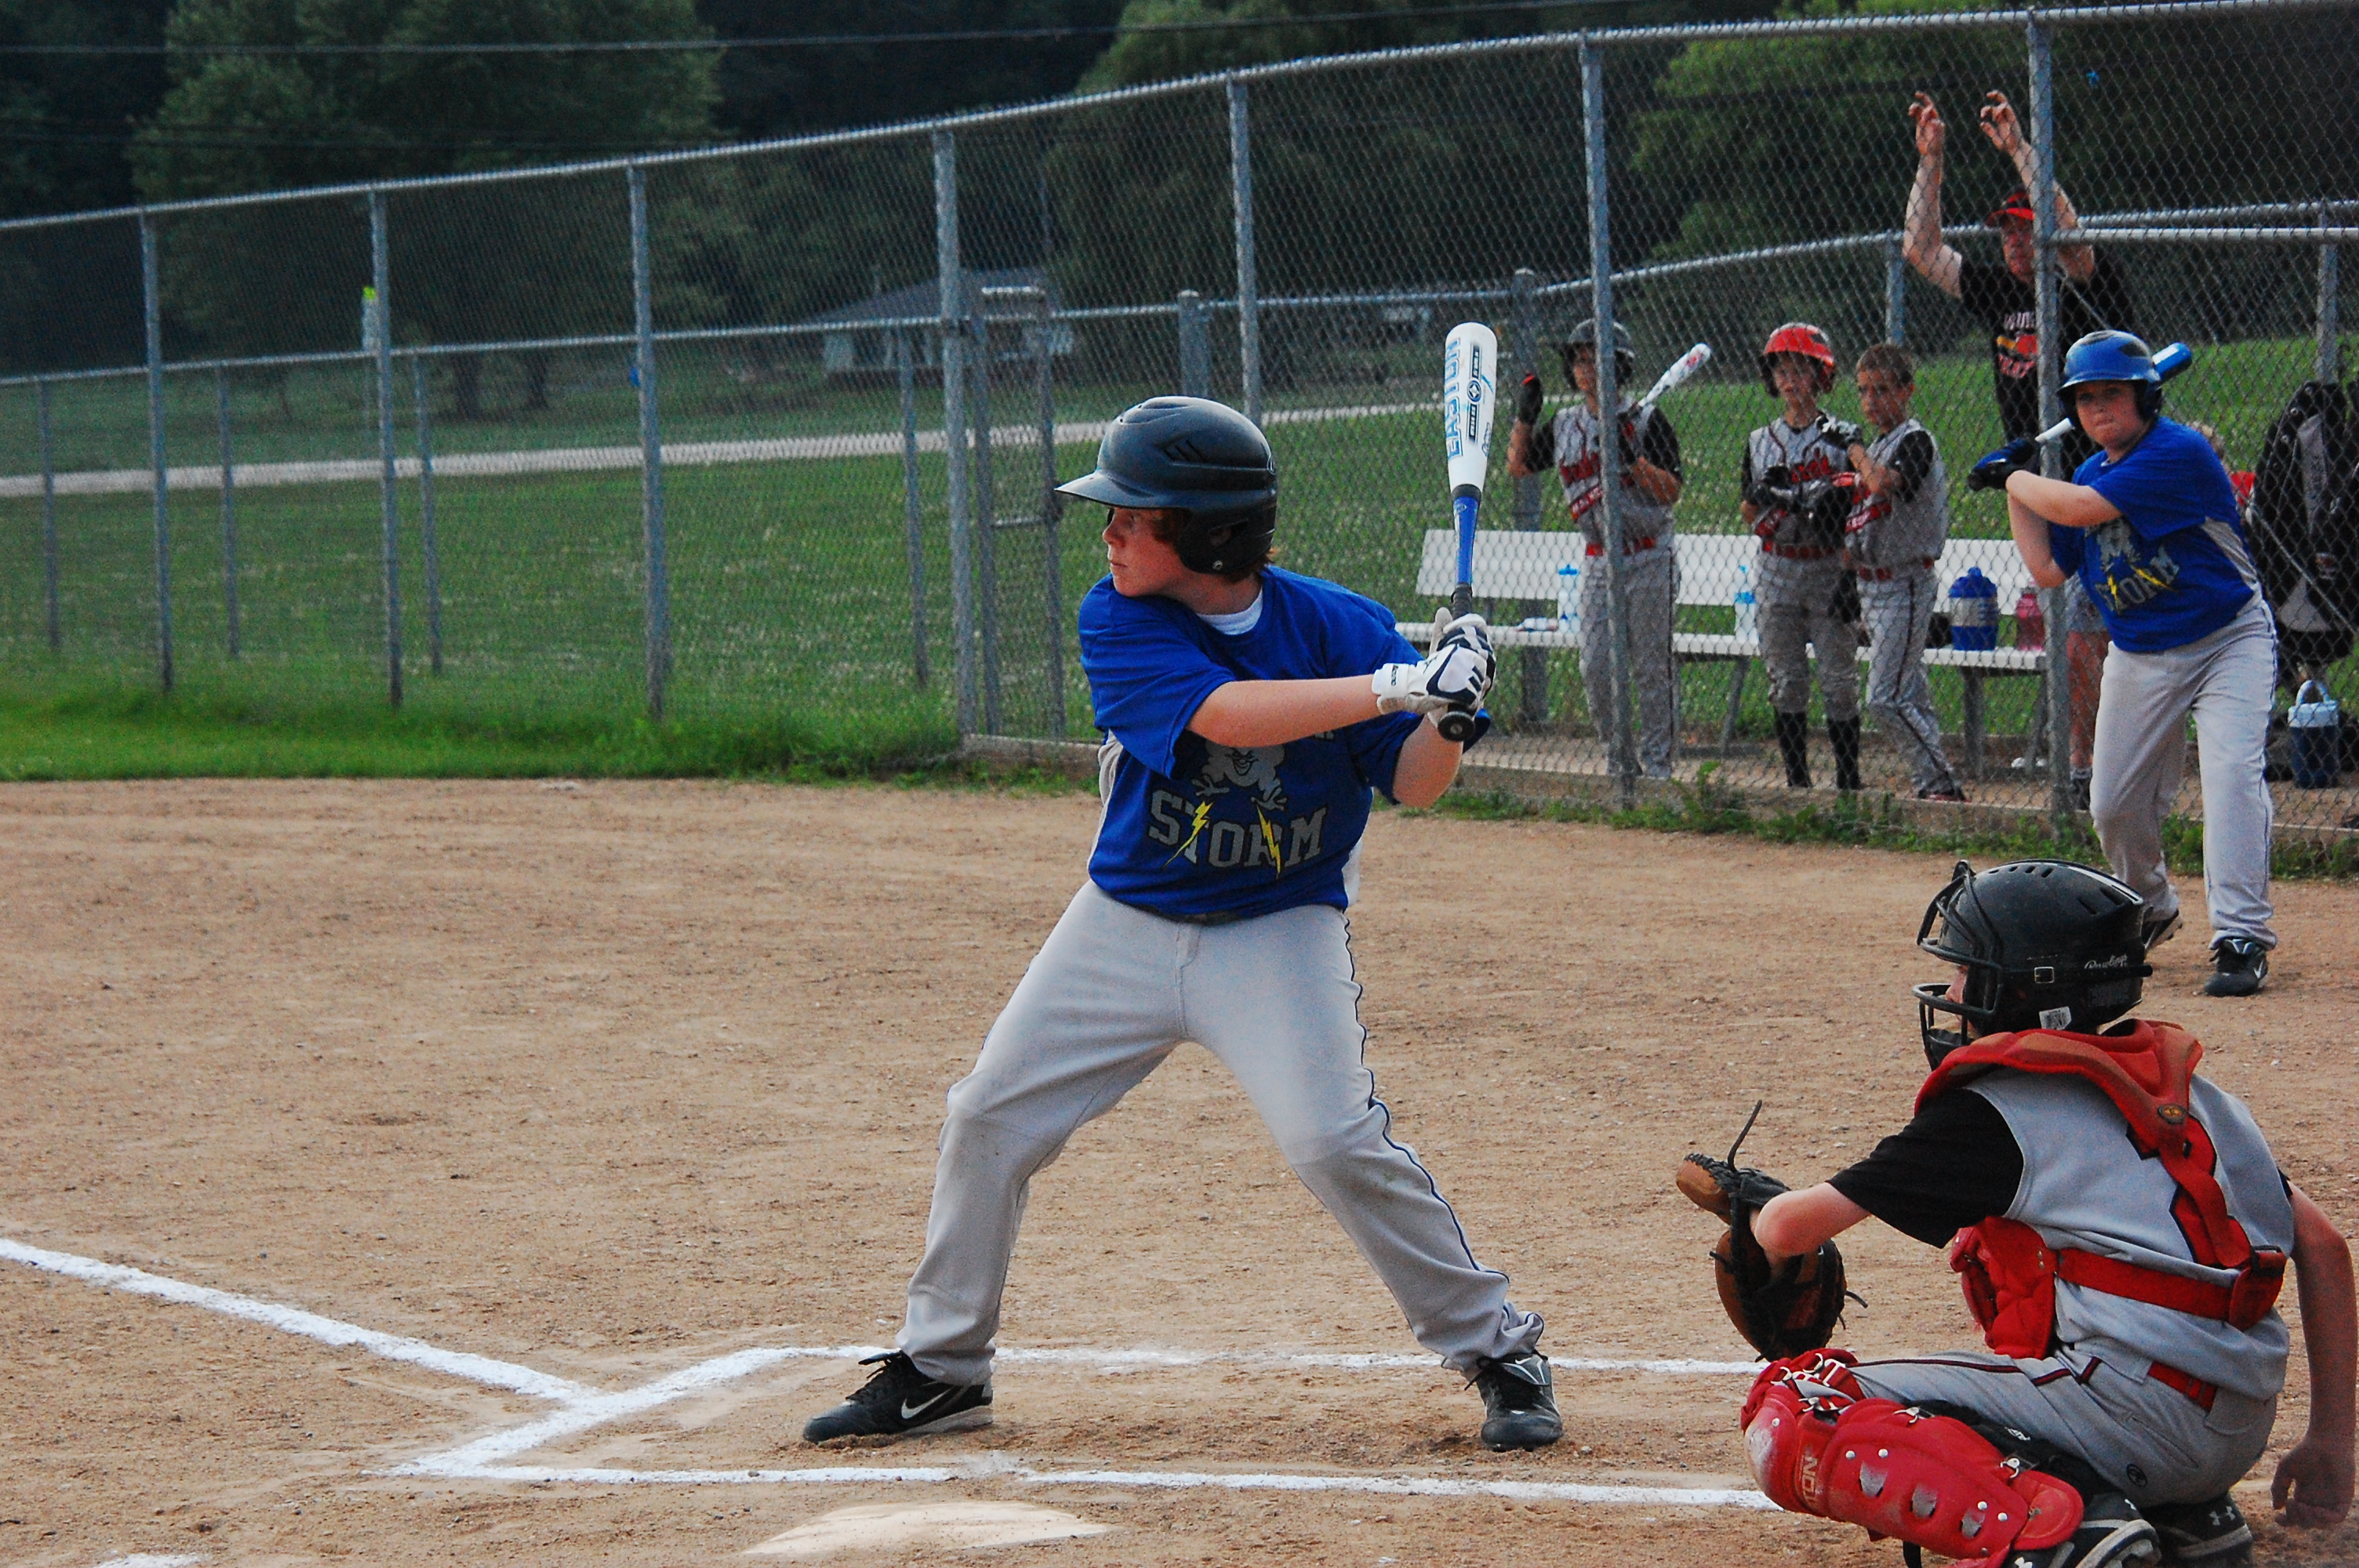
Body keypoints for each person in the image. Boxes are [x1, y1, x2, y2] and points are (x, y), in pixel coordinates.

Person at [798, 395, 1563, 1453]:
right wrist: (1400, 681)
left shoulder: (1339, 626)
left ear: (1208, 534)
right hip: (1125, 923)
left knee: (1333, 1140)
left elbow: (1415, 784)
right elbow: (1224, 717)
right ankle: (943, 1369)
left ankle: (1498, 1347)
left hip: (1278, 926)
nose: (1109, 533)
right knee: (988, 1116)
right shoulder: (1119, 618)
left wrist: (1451, 716)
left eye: (1133, 516)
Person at [1740, 858, 2354, 1568]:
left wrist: (1754, 1208)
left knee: (1798, 1405)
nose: (1952, 992)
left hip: (2132, 1418)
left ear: (2028, 988)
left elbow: (1787, 1229)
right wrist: (2332, 1442)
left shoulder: (1994, 1113)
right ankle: (2188, 1517)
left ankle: (2071, 1532)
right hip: (2231, 1430)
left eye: (1967, 972)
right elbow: (2324, 1246)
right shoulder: (2194, 1098)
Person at [1987, 331, 2278, 998]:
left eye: (2113, 393)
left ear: (2146, 397)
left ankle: (2242, 936)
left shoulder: (2178, 452)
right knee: (2113, 802)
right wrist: (2015, 491)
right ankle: (2150, 907)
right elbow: (2048, 568)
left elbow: (2080, 510)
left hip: (2227, 639)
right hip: (2141, 652)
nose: (2098, 408)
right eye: (2086, 397)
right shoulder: (2088, 473)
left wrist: (2014, 476)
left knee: (2231, 776)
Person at [1905, 89, 2138, 810]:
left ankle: (2096, 763)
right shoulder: (1997, 294)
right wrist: (1932, 163)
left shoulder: (2083, 289)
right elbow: (1921, 251)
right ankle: (2083, 763)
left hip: (2097, 480)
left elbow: (2072, 237)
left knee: (2095, 634)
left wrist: (2019, 150)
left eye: (2022, 229)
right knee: (2067, 627)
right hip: (2037, 485)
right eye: (2005, 231)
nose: (2011, 241)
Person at [1507, 318, 1686, 779]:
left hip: (1649, 556)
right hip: (1598, 560)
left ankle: (1659, 768)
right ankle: (1619, 763)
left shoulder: (1646, 421)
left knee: (1652, 667)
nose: (1585, 369)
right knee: (1595, 666)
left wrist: (1633, 461)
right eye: (1579, 360)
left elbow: (1671, 491)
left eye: (1595, 360)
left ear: (1619, 367)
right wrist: (1525, 418)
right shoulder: (1566, 425)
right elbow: (1519, 467)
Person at [1742, 321, 1863, 791]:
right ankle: (1798, 782)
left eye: (1800, 370)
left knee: (1839, 681)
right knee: (1786, 681)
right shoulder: (1759, 440)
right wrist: (1766, 497)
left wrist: (1850, 571)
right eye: (1781, 371)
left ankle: (1848, 782)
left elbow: (1857, 508)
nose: (1790, 380)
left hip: (1828, 564)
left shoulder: (1843, 436)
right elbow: (1748, 510)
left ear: (1820, 375)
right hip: (1777, 565)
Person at [1843, 343, 1965, 800]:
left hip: (1906, 583)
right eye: (1863, 391)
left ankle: (1940, 782)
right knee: (1909, 693)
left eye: (1881, 390)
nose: (1870, 401)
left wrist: (1852, 451)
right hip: (1871, 586)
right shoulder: (1877, 446)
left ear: (1907, 391)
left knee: (1884, 698)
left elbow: (1880, 483)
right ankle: (1933, 788)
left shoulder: (1915, 441)